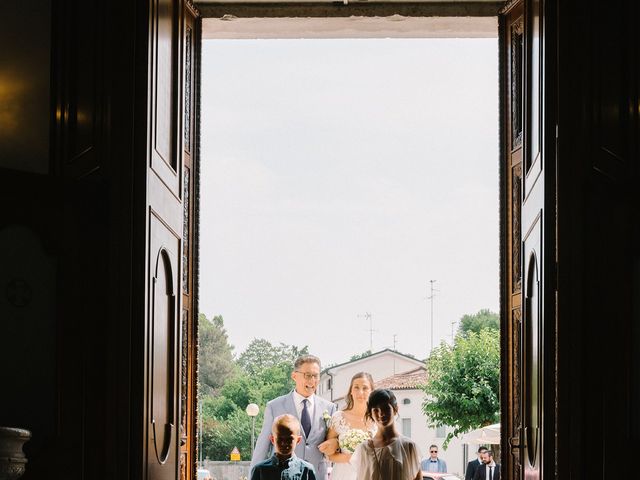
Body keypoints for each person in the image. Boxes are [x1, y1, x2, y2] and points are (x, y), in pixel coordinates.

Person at [251, 355, 337, 479]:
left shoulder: (329, 408)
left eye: (316, 375)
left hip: (315, 476)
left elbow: (333, 443)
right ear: (294, 376)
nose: (312, 380)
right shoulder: (274, 406)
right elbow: (262, 447)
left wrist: (334, 443)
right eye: (307, 375)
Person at [351, 388, 422, 480]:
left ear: (395, 409)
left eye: (385, 408)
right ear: (370, 414)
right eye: (376, 410)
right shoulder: (364, 449)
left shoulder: (409, 446)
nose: (381, 414)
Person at [318, 372, 376, 480]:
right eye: (356, 388)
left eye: (365, 388)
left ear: (371, 391)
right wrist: (351, 458)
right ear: (351, 391)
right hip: (343, 474)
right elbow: (329, 454)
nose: (360, 392)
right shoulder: (338, 418)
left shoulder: (378, 419)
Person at [250, 414, 317, 480]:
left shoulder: (306, 470)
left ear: (298, 440)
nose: (284, 443)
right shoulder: (260, 470)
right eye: (280, 439)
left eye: (289, 439)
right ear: (272, 439)